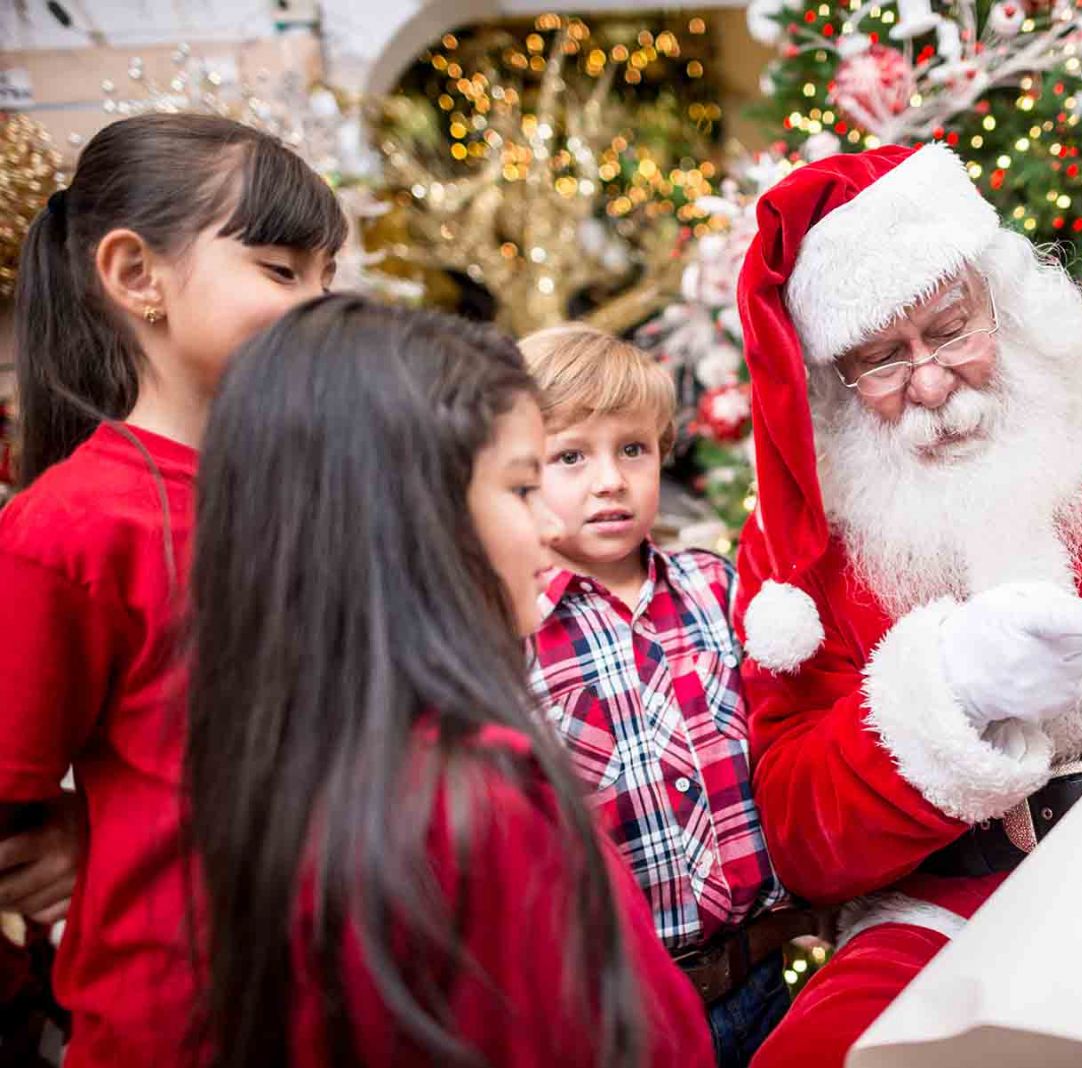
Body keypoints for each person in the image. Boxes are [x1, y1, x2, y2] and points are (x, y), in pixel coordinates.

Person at [729, 143, 1082, 1068]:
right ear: (831, 381)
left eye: (952, 329)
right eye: (878, 360)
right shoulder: (799, 542)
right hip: (951, 910)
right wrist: (943, 702)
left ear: (1003, 301)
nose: (927, 379)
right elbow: (803, 839)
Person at [186, 297, 712, 1068]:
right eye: (524, 487)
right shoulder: (478, 798)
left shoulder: (296, 755)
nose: (548, 529)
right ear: (411, 512)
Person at [0, 113, 346, 1065]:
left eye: (328, 278)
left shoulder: (326, 488)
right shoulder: (73, 528)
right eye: (281, 271)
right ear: (136, 276)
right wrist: (73, 831)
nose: (319, 306)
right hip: (188, 1022)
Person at [519, 326, 800, 1068]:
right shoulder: (506, 632)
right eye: (571, 456)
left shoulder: (716, 588)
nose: (609, 479)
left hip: (757, 983)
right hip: (614, 1026)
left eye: (632, 450)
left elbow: (779, 737)